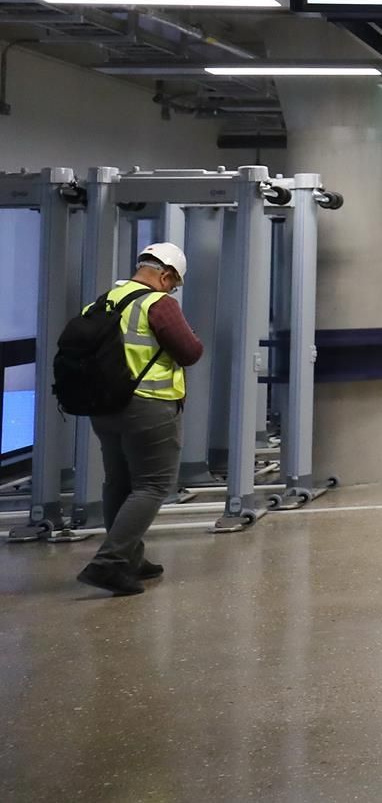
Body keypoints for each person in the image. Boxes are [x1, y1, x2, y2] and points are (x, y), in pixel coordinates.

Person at [74, 243, 202, 597]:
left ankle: (130, 557)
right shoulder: (158, 304)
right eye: (173, 284)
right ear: (165, 275)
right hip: (149, 406)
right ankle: (110, 563)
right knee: (153, 485)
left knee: (119, 482)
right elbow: (189, 352)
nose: (172, 290)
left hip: (103, 407)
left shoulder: (103, 302)